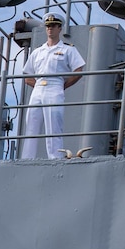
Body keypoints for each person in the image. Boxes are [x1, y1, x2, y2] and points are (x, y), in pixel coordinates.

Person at [20, 13, 86, 159]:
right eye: (48, 26)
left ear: (59, 28)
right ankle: (27, 158)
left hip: (55, 86)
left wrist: (62, 86)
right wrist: (38, 85)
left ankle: (55, 158)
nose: (50, 29)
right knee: (31, 124)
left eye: (54, 26)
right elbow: (27, 76)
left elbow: (79, 70)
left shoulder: (68, 50)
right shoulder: (37, 51)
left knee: (53, 125)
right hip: (38, 88)